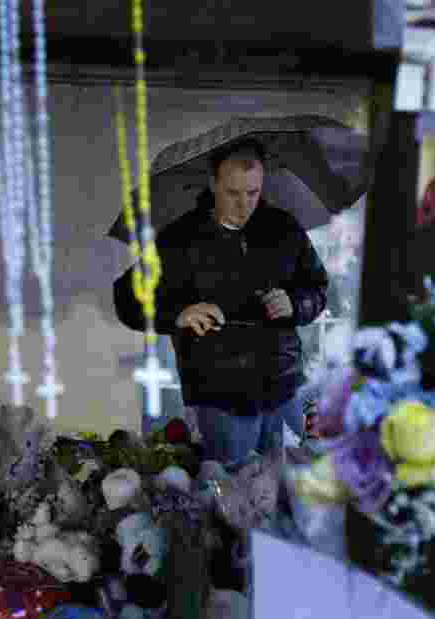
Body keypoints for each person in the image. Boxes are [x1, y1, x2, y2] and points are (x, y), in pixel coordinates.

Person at [114, 138, 328, 467]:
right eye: (233, 193)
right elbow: (127, 299)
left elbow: (317, 289)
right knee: (231, 492)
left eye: (253, 192)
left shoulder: (285, 228)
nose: (244, 204)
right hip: (220, 394)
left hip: (284, 386)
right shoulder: (178, 239)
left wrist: (295, 304)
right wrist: (179, 315)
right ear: (213, 183)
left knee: (287, 490)